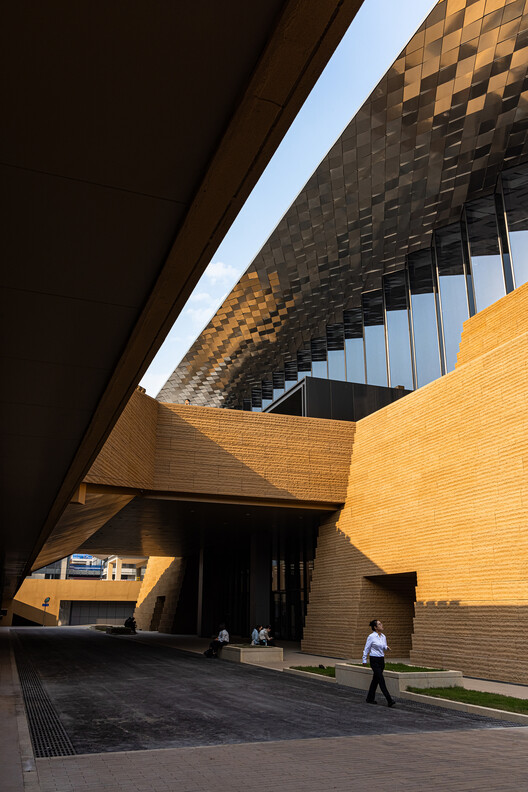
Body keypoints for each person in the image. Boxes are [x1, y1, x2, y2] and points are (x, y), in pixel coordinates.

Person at [362, 619, 395, 707]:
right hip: (374, 660)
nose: (382, 625)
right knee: (381, 679)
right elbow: (367, 648)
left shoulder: (383, 636)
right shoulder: (371, 637)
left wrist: (386, 647)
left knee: (375, 680)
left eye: (381, 623)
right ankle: (389, 700)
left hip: (381, 660)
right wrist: (364, 659)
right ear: (375, 627)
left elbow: (383, 647)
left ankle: (369, 698)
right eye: (379, 624)